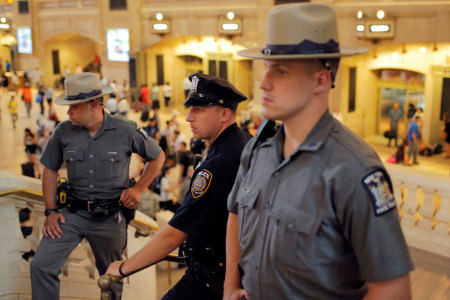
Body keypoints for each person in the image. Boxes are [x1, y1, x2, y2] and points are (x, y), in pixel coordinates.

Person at [224, 4, 413, 300]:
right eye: (266, 68)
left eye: (282, 71)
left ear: (321, 80)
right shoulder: (258, 150)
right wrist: (230, 286)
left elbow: (393, 289)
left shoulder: (353, 169)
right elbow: (236, 213)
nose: (264, 82)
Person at [106, 73, 250, 300]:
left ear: (224, 114)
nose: (188, 118)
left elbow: (174, 235)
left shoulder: (220, 162)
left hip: (212, 278)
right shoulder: (239, 142)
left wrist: (124, 268)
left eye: (198, 110)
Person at [30, 72, 165, 300]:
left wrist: (139, 188)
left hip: (110, 219)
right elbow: (49, 170)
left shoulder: (125, 129)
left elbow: (158, 156)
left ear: (93, 104)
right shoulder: (63, 131)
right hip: (72, 215)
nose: (68, 112)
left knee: (112, 279)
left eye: (74, 106)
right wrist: (51, 211)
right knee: (41, 265)